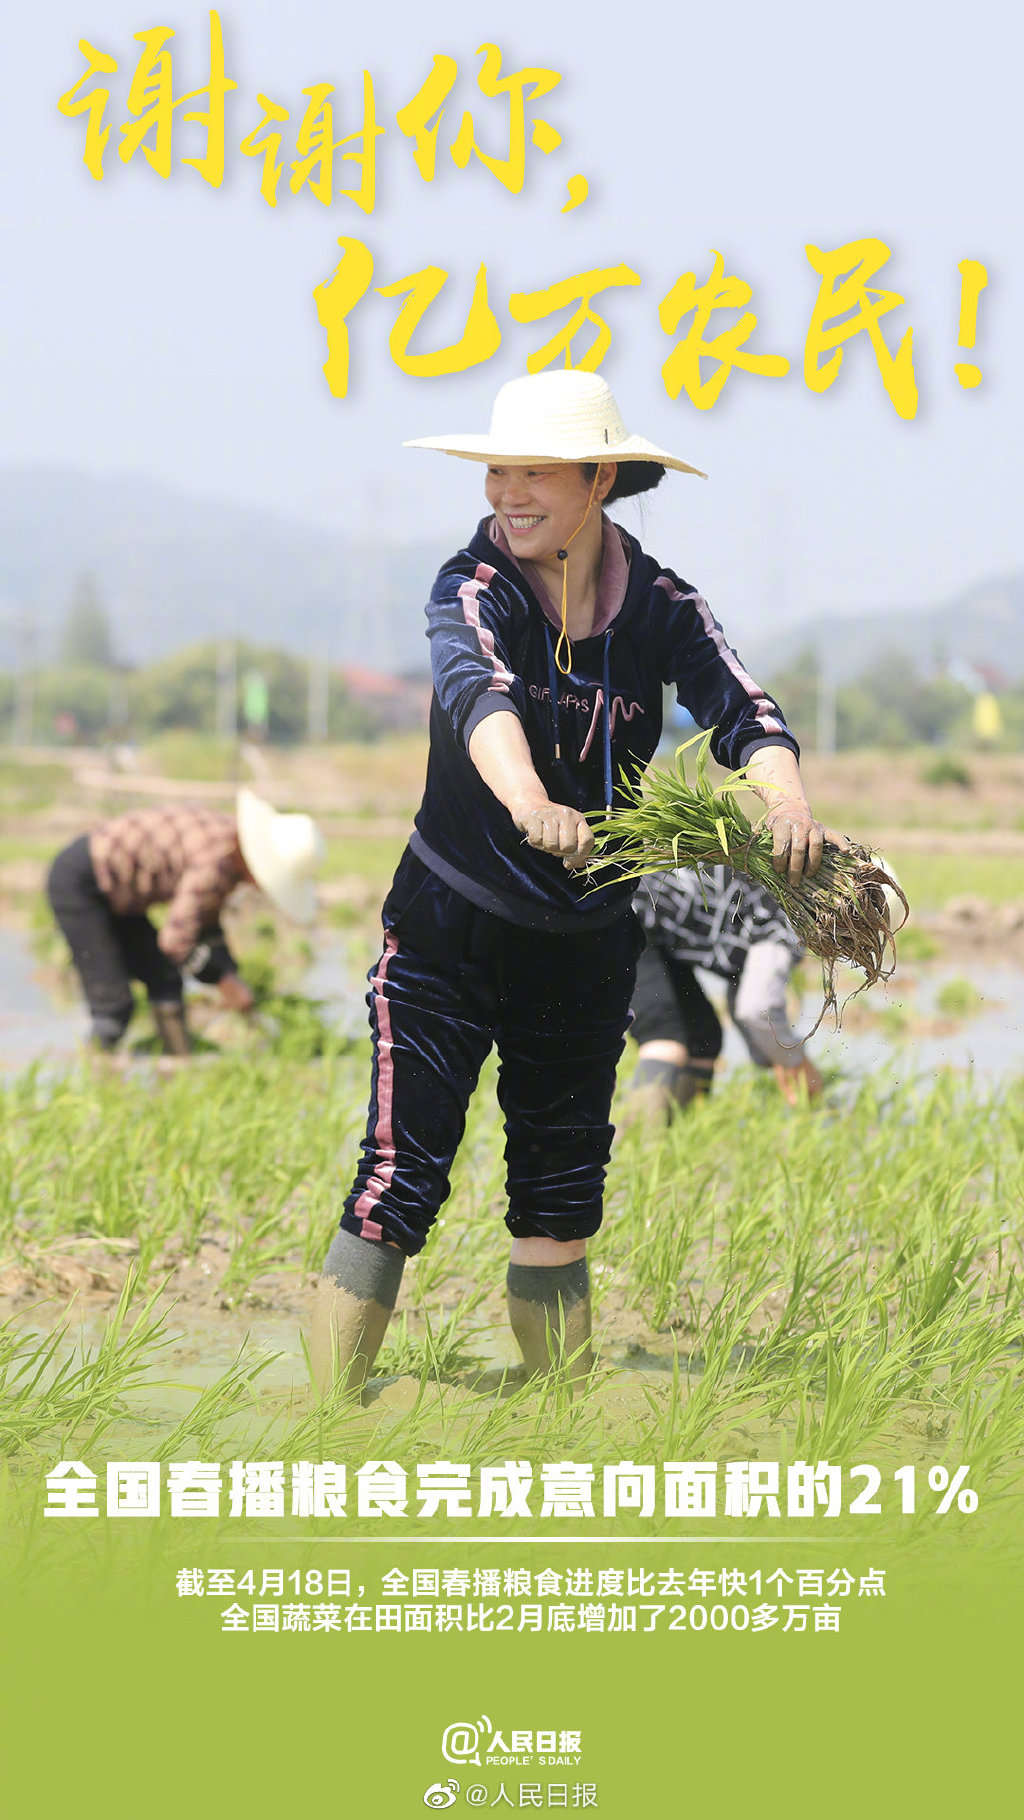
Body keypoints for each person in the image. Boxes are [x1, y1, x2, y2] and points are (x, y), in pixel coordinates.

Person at [311, 369, 836, 1396]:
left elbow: (745, 710)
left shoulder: (661, 605)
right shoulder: (472, 585)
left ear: (597, 478)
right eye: (496, 469)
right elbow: (478, 695)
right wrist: (526, 800)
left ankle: (560, 1420)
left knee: (559, 1195)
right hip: (448, 931)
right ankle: (326, 1419)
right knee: (397, 1181)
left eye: (532, 472)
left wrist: (782, 798)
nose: (505, 491)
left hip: (587, 945)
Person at [46, 788, 324, 1056]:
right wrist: (224, 981)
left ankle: (178, 1064)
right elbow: (175, 940)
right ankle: (91, 1071)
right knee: (115, 1004)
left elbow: (205, 925)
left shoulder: (226, 845)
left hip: (118, 895)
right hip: (82, 884)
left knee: (164, 978)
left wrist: (227, 972)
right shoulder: (216, 862)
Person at [629, 863, 823, 1115]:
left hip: (648, 924)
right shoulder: (789, 923)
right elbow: (757, 1008)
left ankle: (682, 1139)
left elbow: (743, 991)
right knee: (665, 1035)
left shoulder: (776, 880)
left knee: (703, 1036)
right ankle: (639, 1147)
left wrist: (769, 1055)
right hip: (629, 921)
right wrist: (794, 1060)